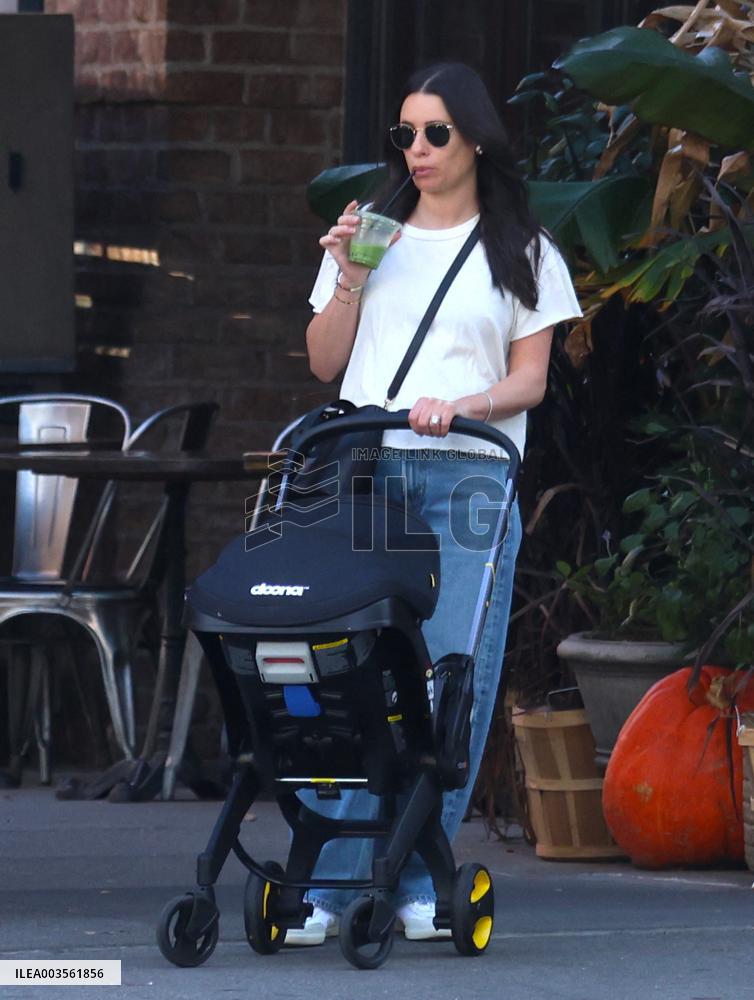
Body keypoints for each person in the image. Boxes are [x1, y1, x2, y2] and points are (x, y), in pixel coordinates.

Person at [288, 62, 581, 945]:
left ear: (477, 139)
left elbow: (530, 380)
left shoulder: (523, 250)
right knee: (346, 668)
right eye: (405, 135)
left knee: (446, 674)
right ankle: (333, 885)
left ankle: (417, 878)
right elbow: (323, 363)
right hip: (368, 468)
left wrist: (462, 405)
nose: (416, 150)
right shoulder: (373, 236)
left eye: (436, 134)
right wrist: (344, 276)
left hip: (465, 478)